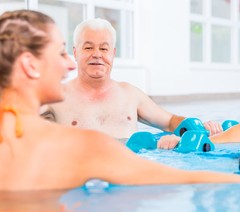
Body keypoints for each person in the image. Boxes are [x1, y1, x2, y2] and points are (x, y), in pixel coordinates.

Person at [0, 10, 240, 192]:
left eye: (104, 48)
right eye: (62, 52)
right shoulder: (84, 147)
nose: (69, 62)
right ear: (29, 65)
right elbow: (182, 178)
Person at [40, 18, 222, 139]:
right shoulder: (56, 97)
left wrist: (199, 129)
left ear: (113, 54)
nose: (97, 55)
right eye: (88, 48)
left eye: (103, 49)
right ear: (75, 52)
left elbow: (169, 122)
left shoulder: (130, 94)